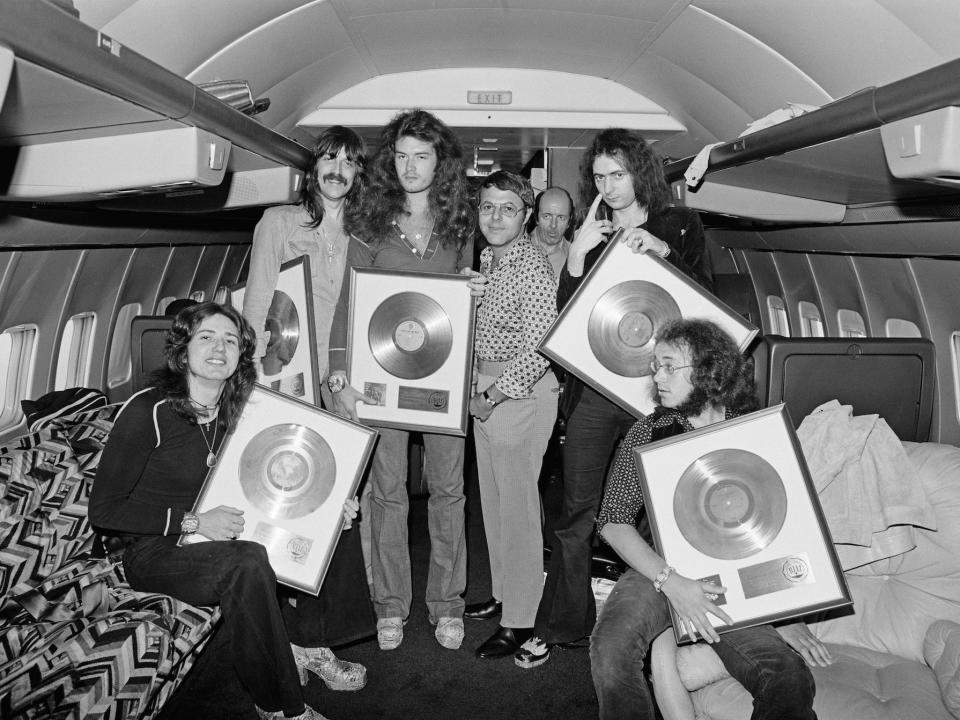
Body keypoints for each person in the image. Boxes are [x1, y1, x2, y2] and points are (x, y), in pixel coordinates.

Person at [89, 302, 364, 720]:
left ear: (240, 356)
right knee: (247, 561)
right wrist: (194, 521)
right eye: (207, 337)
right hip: (156, 551)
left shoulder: (242, 412)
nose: (219, 347)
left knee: (326, 526)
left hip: (219, 533)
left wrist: (329, 506)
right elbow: (105, 509)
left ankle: (305, 645)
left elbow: (270, 483)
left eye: (230, 340)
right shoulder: (148, 412)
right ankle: (278, 705)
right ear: (183, 351)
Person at [515, 128, 713, 668]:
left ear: (640, 173)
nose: (609, 185)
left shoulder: (680, 225)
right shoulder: (592, 234)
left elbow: (704, 308)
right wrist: (576, 257)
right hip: (598, 393)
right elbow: (566, 322)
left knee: (656, 510)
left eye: (617, 174)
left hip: (658, 395)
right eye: (600, 177)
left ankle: (659, 628)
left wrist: (665, 252)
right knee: (577, 511)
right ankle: (558, 627)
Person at [590, 318, 829, 720]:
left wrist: (784, 610)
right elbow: (612, 521)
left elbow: (781, 527)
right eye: (655, 367)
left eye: (669, 366)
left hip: (734, 577)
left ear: (707, 370)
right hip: (658, 569)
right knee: (610, 647)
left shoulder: (756, 431)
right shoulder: (647, 432)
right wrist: (672, 581)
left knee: (787, 673)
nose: (657, 376)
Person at [327, 109, 484, 652]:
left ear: (440, 163)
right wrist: (339, 372)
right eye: (401, 156)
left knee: (448, 492)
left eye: (421, 156)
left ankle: (447, 605)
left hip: (442, 381)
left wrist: (473, 291)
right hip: (381, 377)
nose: (410, 166)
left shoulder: (461, 225)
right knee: (387, 493)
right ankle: (391, 606)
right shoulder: (369, 225)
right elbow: (349, 303)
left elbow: (465, 300)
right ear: (389, 164)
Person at [242, 126, 374, 688]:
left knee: (341, 505)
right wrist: (257, 383)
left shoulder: (367, 230)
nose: (337, 168)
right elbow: (257, 301)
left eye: (348, 161)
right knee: (291, 498)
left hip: (343, 379)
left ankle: (326, 633)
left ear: (358, 173)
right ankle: (291, 636)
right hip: (288, 379)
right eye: (328, 158)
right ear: (311, 168)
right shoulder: (277, 223)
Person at [466, 171, 559, 659]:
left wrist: (493, 394)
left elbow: (542, 348)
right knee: (495, 503)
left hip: (519, 396)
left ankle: (521, 620)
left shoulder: (531, 267)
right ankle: (505, 595)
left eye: (507, 208)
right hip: (488, 389)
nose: (495, 217)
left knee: (519, 510)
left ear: (525, 215)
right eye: (487, 207)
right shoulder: (487, 259)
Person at [525, 186, 574, 280]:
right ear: (536, 218)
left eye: (561, 218)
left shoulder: (574, 256)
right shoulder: (514, 250)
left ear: (569, 222)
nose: (553, 225)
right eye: (547, 216)